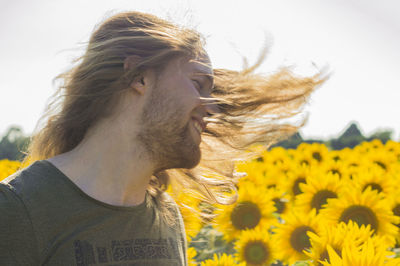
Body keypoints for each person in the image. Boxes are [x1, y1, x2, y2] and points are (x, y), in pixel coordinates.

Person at [0, 11, 326, 265]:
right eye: (198, 84)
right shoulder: (18, 209)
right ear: (138, 77)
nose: (211, 109)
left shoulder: (167, 216)